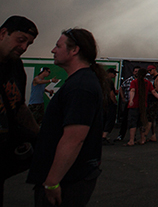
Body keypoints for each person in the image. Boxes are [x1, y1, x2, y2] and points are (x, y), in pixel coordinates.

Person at [27, 28, 107, 207]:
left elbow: (74, 139)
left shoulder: (81, 87)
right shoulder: (79, 82)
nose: (53, 50)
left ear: (74, 50)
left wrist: (52, 181)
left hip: (68, 181)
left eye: (58, 46)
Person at [0, 15, 39, 207]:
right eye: (20, 40)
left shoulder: (15, 66)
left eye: (28, 44)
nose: (23, 47)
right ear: (3, 34)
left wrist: (39, 138)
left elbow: (20, 107)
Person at [126, 68, 158, 146]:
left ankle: (131, 140)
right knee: (142, 122)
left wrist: (131, 100)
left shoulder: (134, 82)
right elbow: (154, 92)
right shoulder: (147, 83)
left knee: (133, 123)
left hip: (134, 105)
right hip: (143, 106)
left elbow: (132, 91)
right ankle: (142, 139)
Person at [115, 66, 139, 142]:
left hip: (138, 103)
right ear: (133, 72)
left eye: (138, 71)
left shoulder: (143, 81)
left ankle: (134, 136)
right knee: (125, 119)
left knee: (136, 120)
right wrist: (123, 97)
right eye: (135, 71)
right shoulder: (129, 80)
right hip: (129, 102)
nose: (137, 73)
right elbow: (121, 87)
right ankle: (121, 135)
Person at [145, 65, 158, 142]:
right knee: (152, 118)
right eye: (148, 71)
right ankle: (153, 135)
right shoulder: (153, 78)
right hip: (152, 99)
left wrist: (150, 90)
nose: (149, 72)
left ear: (154, 69)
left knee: (150, 118)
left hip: (155, 100)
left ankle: (146, 135)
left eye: (150, 70)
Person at [101, 69, 118, 144]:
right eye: (114, 73)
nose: (115, 75)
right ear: (110, 73)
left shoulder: (101, 80)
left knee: (103, 119)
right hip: (109, 103)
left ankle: (101, 135)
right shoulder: (109, 81)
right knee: (110, 119)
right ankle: (104, 136)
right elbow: (111, 94)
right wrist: (115, 102)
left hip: (102, 103)